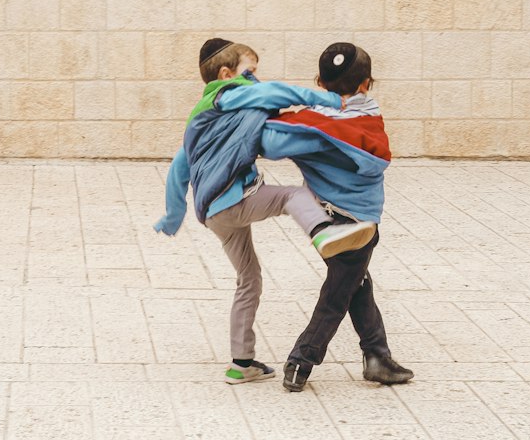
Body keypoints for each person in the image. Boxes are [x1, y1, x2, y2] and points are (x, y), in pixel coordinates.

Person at [154, 37, 376, 385]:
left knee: (248, 279)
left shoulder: (199, 119)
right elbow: (273, 93)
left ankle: (241, 363)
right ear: (226, 74)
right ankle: (324, 232)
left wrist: (171, 216)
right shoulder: (230, 94)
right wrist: (330, 99)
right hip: (237, 198)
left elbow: (178, 170)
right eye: (250, 71)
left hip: (214, 214)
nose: (255, 78)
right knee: (291, 195)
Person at [259, 41, 414, 393]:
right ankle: (302, 360)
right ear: (366, 84)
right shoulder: (369, 116)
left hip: (323, 222)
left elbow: (270, 142)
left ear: (319, 80)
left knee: (356, 282)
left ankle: (377, 356)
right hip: (359, 225)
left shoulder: (313, 126)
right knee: (338, 294)